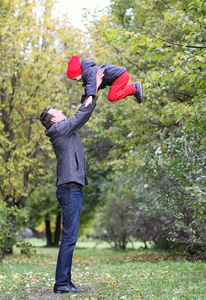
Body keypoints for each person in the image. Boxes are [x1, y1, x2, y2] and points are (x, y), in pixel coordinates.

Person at [39, 68, 105, 294]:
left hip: (71, 188)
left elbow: (81, 108)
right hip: (69, 189)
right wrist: (93, 89)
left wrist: (91, 87)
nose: (61, 111)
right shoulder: (59, 129)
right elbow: (82, 114)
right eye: (57, 110)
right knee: (69, 238)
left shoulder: (61, 129)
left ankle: (63, 281)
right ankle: (62, 283)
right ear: (54, 119)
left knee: (69, 237)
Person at [66, 54, 144, 106]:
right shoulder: (89, 74)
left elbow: (91, 84)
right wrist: (82, 103)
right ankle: (134, 90)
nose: (76, 81)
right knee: (113, 95)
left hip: (120, 76)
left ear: (79, 72)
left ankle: (134, 87)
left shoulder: (88, 72)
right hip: (120, 76)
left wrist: (90, 96)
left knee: (111, 96)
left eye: (75, 78)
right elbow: (88, 89)